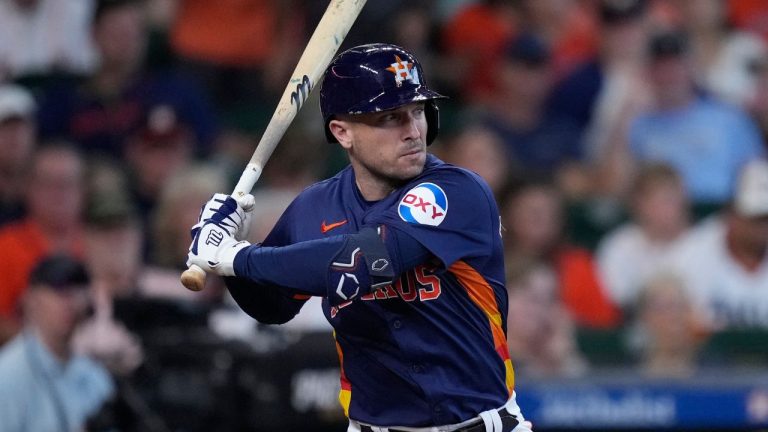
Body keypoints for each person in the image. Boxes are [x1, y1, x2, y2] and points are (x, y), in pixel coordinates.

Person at [186, 44, 534, 432]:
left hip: (479, 423)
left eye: (417, 112)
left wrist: (237, 257)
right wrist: (225, 249)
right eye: (390, 117)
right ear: (342, 132)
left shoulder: (457, 191)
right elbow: (272, 306)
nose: (413, 131)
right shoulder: (313, 207)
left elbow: (367, 261)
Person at [0, 254, 114, 431]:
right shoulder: (7, 375)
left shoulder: (93, 374)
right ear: (32, 300)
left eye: (76, 291)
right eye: (59, 292)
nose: (69, 302)